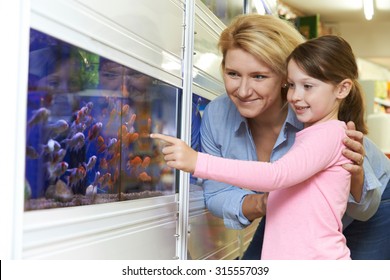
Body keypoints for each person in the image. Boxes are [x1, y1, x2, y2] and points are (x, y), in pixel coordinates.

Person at [151, 14, 390, 259]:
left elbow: (364, 208)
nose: (243, 91)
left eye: (259, 76)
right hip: (289, 212)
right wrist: (265, 203)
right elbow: (216, 195)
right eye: (233, 74)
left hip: (372, 204)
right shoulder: (218, 114)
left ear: (285, 78)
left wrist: (197, 161)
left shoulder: (315, 113)